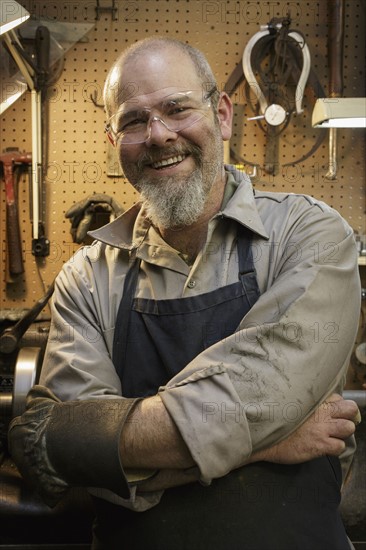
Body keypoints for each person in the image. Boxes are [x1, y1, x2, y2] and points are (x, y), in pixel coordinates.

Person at [8, 37, 361, 550]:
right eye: (133, 120)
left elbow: (71, 441)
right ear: (114, 139)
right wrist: (267, 440)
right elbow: (65, 456)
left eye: (177, 108)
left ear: (221, 115)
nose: (158, 135)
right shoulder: (86, 277)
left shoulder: (309, 234)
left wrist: (113, 445)